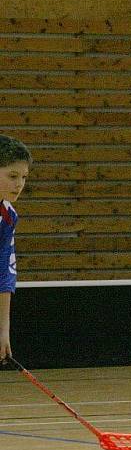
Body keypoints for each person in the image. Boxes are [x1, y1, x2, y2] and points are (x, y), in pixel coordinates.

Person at [0, 135, 31, 361]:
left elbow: (4, 274)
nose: (19, 184)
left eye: (23, 177)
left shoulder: (8, 217)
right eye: (12, 176)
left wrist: (3, 331)